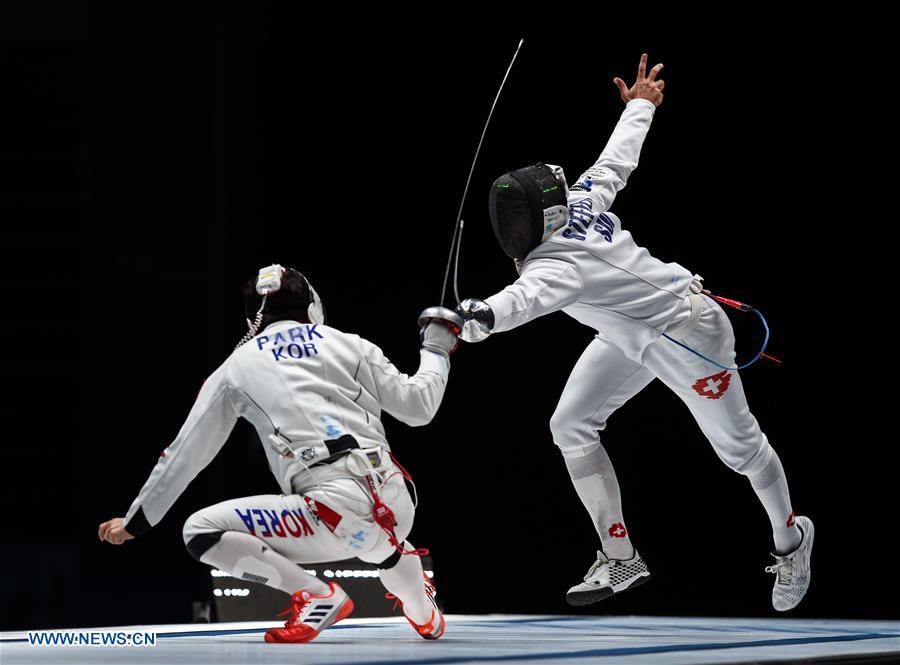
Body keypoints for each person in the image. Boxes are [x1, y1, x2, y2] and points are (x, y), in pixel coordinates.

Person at [456, 54, 813, 612]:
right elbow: (615, 160)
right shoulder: (579, 199)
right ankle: (620, 556)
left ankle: (791, 541)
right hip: (631, 335)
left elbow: (518, 302)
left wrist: (477, 321)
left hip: (688, 332)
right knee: (571, 424)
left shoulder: (555, 266)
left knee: (739, 450)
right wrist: (641, 104)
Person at [99, 264, 461, 642]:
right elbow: (419, 408)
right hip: (397, 501)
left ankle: (318, 595)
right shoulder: (349, 343)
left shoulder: (236, 367)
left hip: (329, 516)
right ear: (311, 303)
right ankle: (425, 614)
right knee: (380, 544)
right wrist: (436, 349)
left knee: (200, 531)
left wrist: (136, 521)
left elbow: (185, 453)